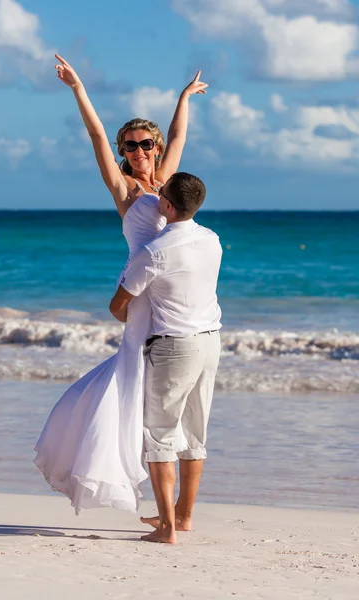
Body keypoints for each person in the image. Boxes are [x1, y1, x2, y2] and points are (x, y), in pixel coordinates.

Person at [34, 55, 208, 514]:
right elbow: (94, 135)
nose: (138, 152)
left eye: (144, 144)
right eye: (129, 146)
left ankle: (180, 514)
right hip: (140, 300)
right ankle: (144, 493)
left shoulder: (169, 181)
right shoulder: (124, 189)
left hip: (175, 303)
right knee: (138, 395)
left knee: (172, 406)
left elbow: (179, 137)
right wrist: (78, 88)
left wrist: (183, 98)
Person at [110, 172, 222, 544]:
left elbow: (119, 305)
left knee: (159, 437)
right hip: (210, 342)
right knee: (194, 434)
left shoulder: (155, 251)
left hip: (174, 346)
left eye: (162, 196)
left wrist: (131, 315)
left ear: (168, 206)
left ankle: (167, 529)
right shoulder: (212, 239)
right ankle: (184, 516)